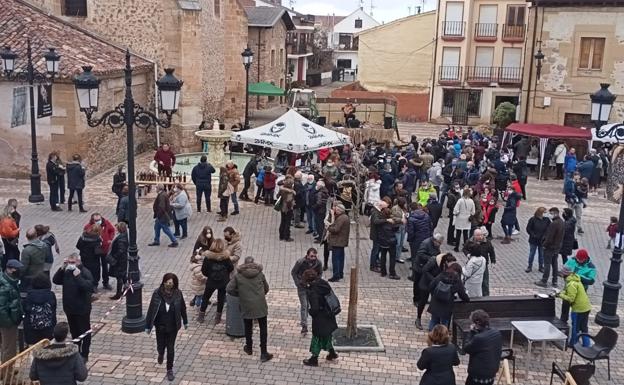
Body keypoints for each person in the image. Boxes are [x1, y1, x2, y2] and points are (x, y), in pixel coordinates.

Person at [226, 256, 273, 362]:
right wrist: (260, 295)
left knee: (248, 326)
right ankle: (264, 352)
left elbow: (229, 289)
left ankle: (249, 347)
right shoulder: (260, 274)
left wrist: (240, 294)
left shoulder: (239, 276)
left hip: (246, 304)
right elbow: (266, 288)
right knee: (263, 328)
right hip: (260, 305)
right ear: (254, 263)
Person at [145, 273, 188, 382]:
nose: (169, 284)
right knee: (160, 345)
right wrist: (148, 325)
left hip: (173, 326)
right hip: (160, 325)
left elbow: (183, 308)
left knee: (171, 348)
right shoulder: (157, 293)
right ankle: (160, 353)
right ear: (164, 282)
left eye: (171, 282)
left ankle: (169, 369)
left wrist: (185, 321)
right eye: (167, 281)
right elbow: (151, 309)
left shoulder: (178, 294)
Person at [52, 253, 94, 362]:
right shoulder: (67, 272)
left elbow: (88, 287)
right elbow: (56, 280)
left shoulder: (85, 272)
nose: (71, 265)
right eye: (69, 262)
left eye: (72, 263)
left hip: (82, 310)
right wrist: (62, 268)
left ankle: (84, 354)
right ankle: (76, 351)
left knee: (84, 332)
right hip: (70, 309)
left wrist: (78, 276)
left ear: (78, 262)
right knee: (74, 332)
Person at [301, 269, 339, 366]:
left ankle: (314, 359)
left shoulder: (313, 291)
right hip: (329, 314)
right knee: (327, 335)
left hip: (320, 318)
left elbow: (315, 308)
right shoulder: (323, 283)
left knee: (317, 338)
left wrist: (310, 312)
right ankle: (332, 353)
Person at [196, 239, 233, 324]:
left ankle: (201, 316)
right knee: (221, 299)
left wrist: (209, 275)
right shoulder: (226, 257)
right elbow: (231, 268)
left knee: (205, 297)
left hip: (211, 281)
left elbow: (203, 270)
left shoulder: (208, 257)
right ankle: (217, 318)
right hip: (223, 282)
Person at [463, 310, 503, 385]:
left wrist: (471, 332)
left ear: (477, 323)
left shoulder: (479, 338)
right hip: (491, 373)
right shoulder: (496, 332)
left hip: (479, 375)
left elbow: (466, 348)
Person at [416, 252, 455, 330]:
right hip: (426, 284)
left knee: (435, 301)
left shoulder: (446, 266)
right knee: (423, 301)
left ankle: (434, 320)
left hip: (436, 285)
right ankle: (418, 318)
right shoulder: (433, 261)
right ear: (446, 261)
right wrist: (434, 280)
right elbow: (424, 270)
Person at [427, 263, 469, 330]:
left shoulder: (441, 275)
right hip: (447, 304)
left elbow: (431, 286)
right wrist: (467, 299)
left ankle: (432, 336)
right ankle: (443, 338)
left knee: (434, 320)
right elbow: (462, 294)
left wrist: (435, 293)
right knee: (445, 323)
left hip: (436, 301)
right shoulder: (456, 280)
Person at [557, 267, 591, 348]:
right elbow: (568, 291)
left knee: (575, 327)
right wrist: (561, 292)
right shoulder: (575, 280)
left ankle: (573, 344)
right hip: (586, 307)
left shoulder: (571, 284)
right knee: (584, 327)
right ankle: (586, 344)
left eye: (562, 275)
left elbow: (571, 299)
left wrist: (559, 295)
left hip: (578, 309)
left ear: (565, 275)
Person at [291, 248, 323, 335]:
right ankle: (304, 325)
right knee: (304, 305)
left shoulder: (318, 263)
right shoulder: (300, 262)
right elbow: (294, 272)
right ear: (307, 255)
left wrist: (315, 282)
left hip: (312, 288)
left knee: (314, 306)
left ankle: (316, 324)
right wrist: (298, 283)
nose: (313, 258)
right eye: (311, 256)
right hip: (302, 287)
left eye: (315, 256)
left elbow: (320, 274)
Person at [561, 249, 596, 324]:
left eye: (581, 259)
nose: (579, 260)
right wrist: (565, 273)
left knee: (577, 309)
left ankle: (576, 324)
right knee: (565, 305)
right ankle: (563, 321)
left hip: (581, 291)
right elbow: (564, 271)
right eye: (578, 259)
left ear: (585, 258)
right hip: (569, 288)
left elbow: (591, 281)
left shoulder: (591, 267)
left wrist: (577, 276)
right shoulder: (572, 260)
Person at [84, 213, 116, 290]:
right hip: (94, 251)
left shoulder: (106, 223)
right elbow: (85, 235)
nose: (98, 221)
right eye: (96, 220)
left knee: (105, 267)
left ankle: (106, 282)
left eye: (99, 220)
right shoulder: (88, 226)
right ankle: (95, 283)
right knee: (96, 267)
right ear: (93, 219)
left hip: (105, 249)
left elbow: (112, 230)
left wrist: (110, 239)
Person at [23, 273, 56, 345]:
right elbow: (53, 311)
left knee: (33, 353)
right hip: (48, 331)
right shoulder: (51, 295)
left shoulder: (29, 296)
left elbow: (25, 310)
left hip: (31, 332)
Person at [0, 259, 23, 362]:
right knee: (9, 349)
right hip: (8, 323)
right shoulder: (5, 287)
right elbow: (2, 309)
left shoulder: (11, 281)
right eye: (16, 269)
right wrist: (9, 322)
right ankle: (7, 374)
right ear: (9, 270)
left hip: (11, 319)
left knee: (7, 347)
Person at [535, 207, 565, 288]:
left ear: (555, 213)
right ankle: (554, 281)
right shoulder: (561, 222)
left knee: (547, 264)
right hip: (556, 247)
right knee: (554, 264)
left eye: (551, 213)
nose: (549, 215)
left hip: (550, 247)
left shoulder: (554, 224)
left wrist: (544, 245)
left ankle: (544, 280)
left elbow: (549, 237)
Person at [462, 228, 495, 296]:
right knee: (470, 280)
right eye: (477, 235)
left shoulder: (487, 242)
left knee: (485, 282)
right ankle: (470, 294)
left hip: (483, 264)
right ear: (474, 235)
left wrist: (493, 261)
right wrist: (468, 254)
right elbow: (464, 249)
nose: (480, 237)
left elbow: (492, 252)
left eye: (481, 235)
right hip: (473, 263)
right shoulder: (470, 241)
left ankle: (486, 296)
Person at [327, 203, 351, 282]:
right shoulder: (345, 217)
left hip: (337, 241)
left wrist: (328, 227)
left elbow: (336, 229)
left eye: (337, 210)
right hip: (341, 241)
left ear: (340, 210)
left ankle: (336, 275)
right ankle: (340, 273)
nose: (335, 211)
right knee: (340, 258)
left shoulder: (341, 218)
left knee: (336, 259)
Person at [75, 224, 103, 290]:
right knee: (95, 273)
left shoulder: (83, 236)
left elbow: (78, 246)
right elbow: (97, 252)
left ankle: (85, 284)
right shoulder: (97, 240)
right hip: (93, 259)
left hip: (84, 258)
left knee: (85, 271)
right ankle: (94, 286)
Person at [525, 207, 550, 273]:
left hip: (542, 240)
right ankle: (529, 266)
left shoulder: (546, 220)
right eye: (544, 213)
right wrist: (533, 235)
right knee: (532, 253)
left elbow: (549, 228)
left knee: (541, 254)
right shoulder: (532, 219)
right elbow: (528, 229)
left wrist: (545, 236)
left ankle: (541, 266)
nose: (545, 214)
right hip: (534, 240)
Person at [108, 222, 129, 300]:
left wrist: (114, 257)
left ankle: (118, 294)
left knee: (119, 276)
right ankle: (126, 289)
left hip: (120, 261)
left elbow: (121, 250)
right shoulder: (124, 236)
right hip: (122, 260)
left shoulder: (121, 239)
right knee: (123, 275)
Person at [277, 177, 296, 242]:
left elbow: (278, 196)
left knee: (282, 221)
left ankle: (281, 236)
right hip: (288, 209)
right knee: (287, 223)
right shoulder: (290, 192)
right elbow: (289, 201)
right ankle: (286, 237)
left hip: (282, 207)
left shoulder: (282, 189)